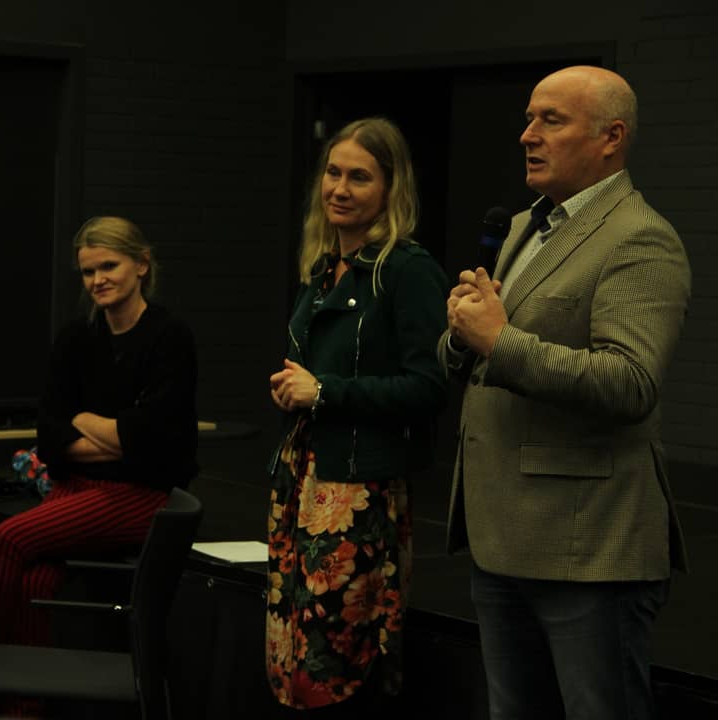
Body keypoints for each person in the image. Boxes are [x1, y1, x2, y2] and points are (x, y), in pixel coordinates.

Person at [439, 66, 691, 720]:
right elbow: (480, 353)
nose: (528, 135)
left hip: (588, 552)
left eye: (551, 120)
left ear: (611, 137)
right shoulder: (523, 226)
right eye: (529, 118)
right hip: (502, 537)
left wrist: (498, 340)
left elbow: (630, 383)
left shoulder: (640, 237)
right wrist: (463, 334)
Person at [0, 216, 198, 662]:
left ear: (141, 265)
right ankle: (24, 695)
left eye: (109, 266)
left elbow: (152, 442)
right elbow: (50, 439)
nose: (98, 280)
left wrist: (80, 419)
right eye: (88, 271)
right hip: (75, 489)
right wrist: (117, 435)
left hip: (143, 496)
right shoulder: (75, 339)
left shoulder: (169, 337)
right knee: (34, 580)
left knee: (8, 538)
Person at [266, 117, 448, 714]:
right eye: (333, 173)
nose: (340, 189)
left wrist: (325, 391)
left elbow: (429, 386)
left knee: (337, 665)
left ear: (391, 189)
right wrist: (297, 390)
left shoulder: (408, 270)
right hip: (303, 480)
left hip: (359, 490)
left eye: (360, 178)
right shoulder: (323, 268)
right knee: (295, 657)